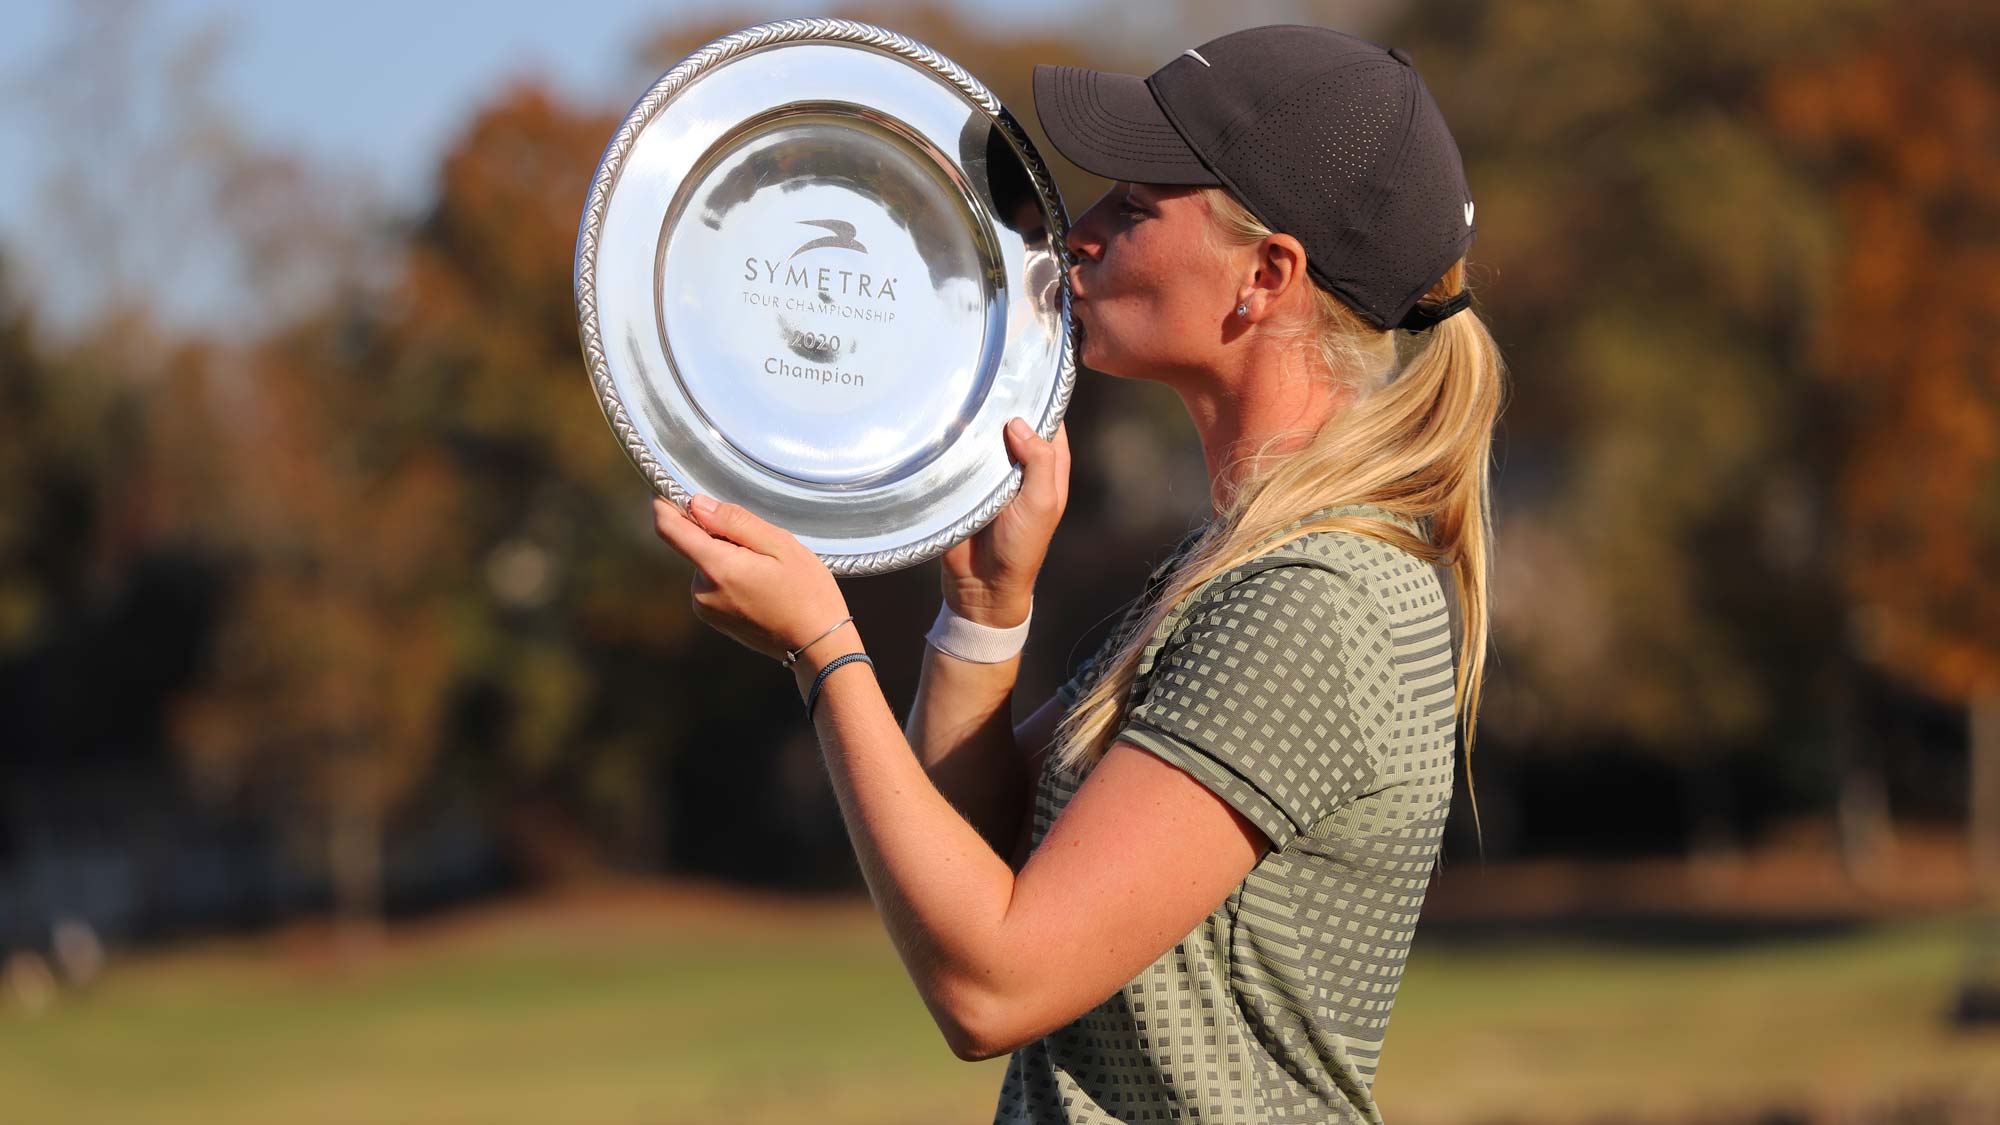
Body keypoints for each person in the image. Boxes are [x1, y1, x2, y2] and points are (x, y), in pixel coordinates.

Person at [650, 22, 1504, 1125]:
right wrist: (982, 618)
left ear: (1263, 277)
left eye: (1133, 209)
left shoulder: (1317, 602)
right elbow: (986, 861)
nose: (1073, 237)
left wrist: (824, 651)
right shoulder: (1236, 566)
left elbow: (992, 983)